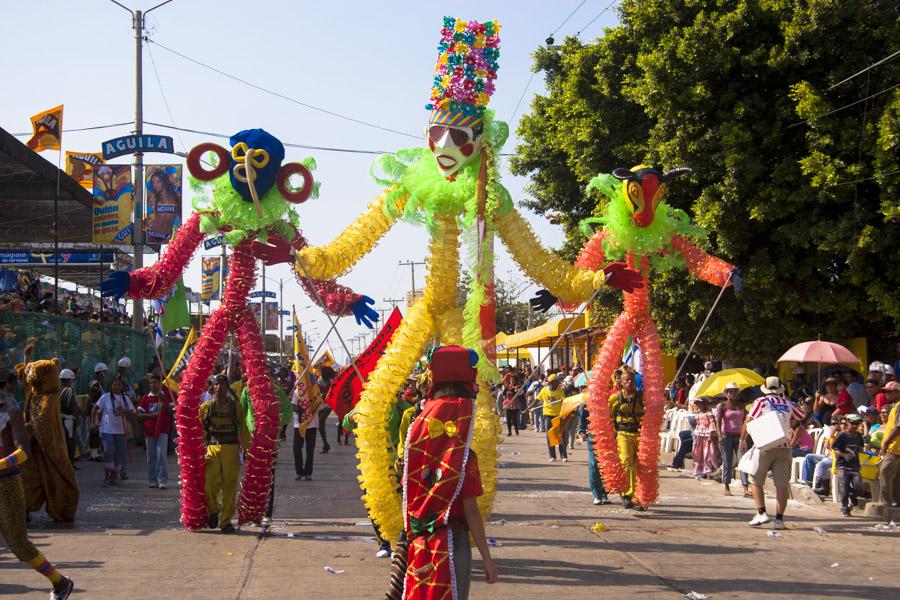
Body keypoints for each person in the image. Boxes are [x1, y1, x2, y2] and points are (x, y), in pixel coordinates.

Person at [400, 345, 497, 599]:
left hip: (420, 544)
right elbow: (471, 510)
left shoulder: (414, 443)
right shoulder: (465, 457)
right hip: (452, 546)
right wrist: (487, 560)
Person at [0, 392, 75, 599]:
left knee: (19, 545)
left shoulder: (10, 413)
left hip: (6, 484)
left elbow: (23, 452)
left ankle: (60, 583)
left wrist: (1, 464)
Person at [740, 376, 805, 529]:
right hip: (784, 447)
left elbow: (748, 421)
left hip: (765, 446)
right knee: (781, 484)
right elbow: (802, 415)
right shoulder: (788, 403)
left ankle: (761, 513)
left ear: (765, 388)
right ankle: (779, 520)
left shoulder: (761, 402)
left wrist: (742, 439)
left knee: (756, 480)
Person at [239, 374, 293, 527]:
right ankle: (252, 513)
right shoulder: (247, 391)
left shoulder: (277, 391)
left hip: (270, 443)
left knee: (269, 479)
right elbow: (241, 413)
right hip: (251, 442)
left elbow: (288, 412)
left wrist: (273, 420)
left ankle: (266, 513)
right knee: (251, 478)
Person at [200, 374, 248, 533]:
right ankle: (213, 511)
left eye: (222, 384)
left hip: (231, 449)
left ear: (227, 387)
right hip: (212, 448)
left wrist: (247, 449)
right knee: (209, 482)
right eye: (216, 384)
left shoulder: (236, 407)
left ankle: (225, 521)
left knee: (229, 485)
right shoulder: (206, 408)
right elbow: (197, 429)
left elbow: (244, 429)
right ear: (212, 387)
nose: (219, 387)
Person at [93, 376, 135, 486]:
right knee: (108, 451)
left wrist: (125, 411)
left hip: (121, 430)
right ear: (111, 386)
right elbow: (95, 409)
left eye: (119, 385)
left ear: (122, 387)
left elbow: (132, 414)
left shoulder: (125, 399)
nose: (116, 387)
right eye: (114, 385)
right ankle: (107, 474)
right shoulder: (105, 397)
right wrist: (94, 423)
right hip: (107, 429)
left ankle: (114, 475)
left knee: (119, 453)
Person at [136, 374, 175, 489]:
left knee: (161, 455)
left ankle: (162, 480)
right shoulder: (146, 398)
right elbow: (139, 415)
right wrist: (152, 415)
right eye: (151, 383)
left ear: (160, 384)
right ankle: (152, 480)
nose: (153, 385)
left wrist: (164, 401)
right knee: (151, 457)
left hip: (163, 430)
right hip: (149, 431)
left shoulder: (166, 395)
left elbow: (172, 411)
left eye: (155, 383)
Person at [716, 382, 749, 496]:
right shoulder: (723, 406)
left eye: (735, 391)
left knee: (743, 460)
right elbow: (718, 421)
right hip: (726, 436)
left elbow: (746, 421)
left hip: (739, 436)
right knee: (727, 461)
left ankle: (746, 487)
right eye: (730, 391)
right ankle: (726, 486)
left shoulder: (741, 406)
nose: (733, 393)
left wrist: (744, 438)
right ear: (726, 393)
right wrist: (719, 435)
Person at [833, 413, 865, 516]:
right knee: (844, 486)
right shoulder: (842, 435)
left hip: (855, 465)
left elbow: (861, 448)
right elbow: (835, 449)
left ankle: (852, 495)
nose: (855, 426)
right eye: (852, 423)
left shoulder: (858, 436)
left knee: (859, 487)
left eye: (857, 423)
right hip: (843, 464)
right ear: (847, 423)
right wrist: (844, 454)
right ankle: (844, 507)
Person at [577, 402, 609, 504]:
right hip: (593, 437)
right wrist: (582, 430)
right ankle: (597, 495)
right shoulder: (587, 403)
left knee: (606, 466)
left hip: (609, 437)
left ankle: (604, 493)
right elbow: (582, 415)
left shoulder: (611, 399)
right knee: (594, 465)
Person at [292, 375, 320, 481]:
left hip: (312, 425)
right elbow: (293, 406)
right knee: (297, 448)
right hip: (299, 424)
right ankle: (299, 472)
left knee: (310, 449)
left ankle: (308, 472)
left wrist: (310, 409)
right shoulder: (297, 392)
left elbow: (318, 404)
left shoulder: (315, 392)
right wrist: (302, 410)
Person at [878, 383, 900, 507]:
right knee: (896, 477)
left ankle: (887, 504)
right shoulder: (895, 406)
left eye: (890, 391)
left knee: (884, 472)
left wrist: (886, 442)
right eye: (885, 391)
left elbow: (898, 427)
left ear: (898, 392)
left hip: (895, 447)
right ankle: (896, 503)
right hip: (896, 447)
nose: (887, 394)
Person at [538, 374, 567, 461]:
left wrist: (564, 402)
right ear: (552, 382)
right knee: (550, 435)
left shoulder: (560, 391)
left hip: (558, 415)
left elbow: (564, 402)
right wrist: (529, 407)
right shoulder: (544, 390)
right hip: (548, 415)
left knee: (561, 435)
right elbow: (537, 399)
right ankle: (552, 455)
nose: (559, 382)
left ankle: (563, 456)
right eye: (557, 381)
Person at [692, 397, 721, 479]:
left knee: (708, 453)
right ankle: (700, 470)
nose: (698, 405)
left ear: (704, 404)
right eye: (697, 403)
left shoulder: (709, 413)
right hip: (700, 435)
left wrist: (710, 435)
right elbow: (698, 424)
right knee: (699, 452)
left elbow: (712, 423)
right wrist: (696, 433)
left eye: (700, 403)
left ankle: (708, 470)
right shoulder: (698, 414)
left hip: (707, 434)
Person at [58, 368, 80, 466]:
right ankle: (70, 464)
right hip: (68, 420)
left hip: (61, 419)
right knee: (70, 442)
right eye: (72, 380)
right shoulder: (68, 390)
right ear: (68, 380)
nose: (73, 382)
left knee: (65, 442)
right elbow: (73, 407)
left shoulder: (57, 390)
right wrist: (78, 417)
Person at [87, 363, 108, 461]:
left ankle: (96, 452)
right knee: (94, 431)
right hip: (95, 410)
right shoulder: (95, 384)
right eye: (105, 371)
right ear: (100, 372)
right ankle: (94, 454)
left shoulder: (99, 384)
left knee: (98, 431)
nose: (106, 373)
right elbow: (92, 399)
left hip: (99, 411)